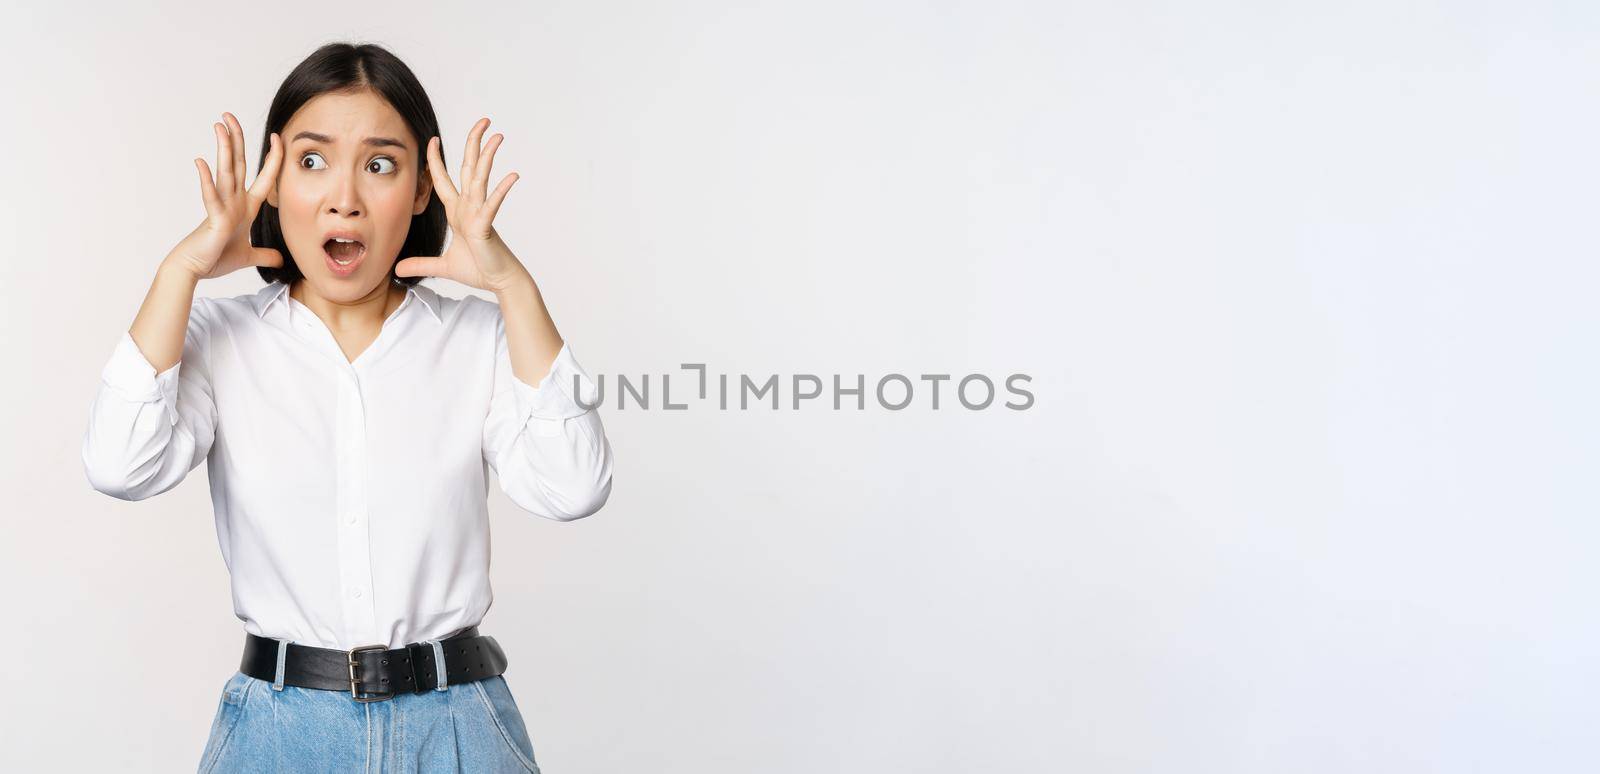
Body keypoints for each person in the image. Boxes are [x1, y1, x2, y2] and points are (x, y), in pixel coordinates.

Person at [80, 42, 615, 773]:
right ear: (272, 184)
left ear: (423, 190)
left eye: (380, 163)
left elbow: (574, 486)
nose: (344, 197)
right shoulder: (219, 337)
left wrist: (515, 288)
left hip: (457, 727)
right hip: (277, 731)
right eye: (311, 160)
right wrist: (182, 269)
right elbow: (118, 465)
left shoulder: (478, 339)